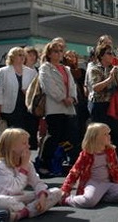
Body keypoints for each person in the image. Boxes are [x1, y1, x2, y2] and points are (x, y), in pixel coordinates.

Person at [0, 128, 61, 220]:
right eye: (24, 143)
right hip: (1, 203)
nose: (28, 146)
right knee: (0, 201)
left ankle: (20, 214)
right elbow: (15, 188)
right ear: (11, 146)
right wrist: (24, 167)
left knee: (56, 192)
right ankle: (29, 210)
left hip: (18, 200)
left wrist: (42, 195)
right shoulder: (0, 166)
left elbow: (37, 182)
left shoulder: (27, 163)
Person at [60, 123, 118, 208]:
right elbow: (74, 172)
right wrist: (65, 190)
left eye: (108, 134)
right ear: (95, 137)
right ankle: (68, 200)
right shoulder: (86, 155)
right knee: (89, 202)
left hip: (107, 183)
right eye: (105, 134)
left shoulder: (111, 152)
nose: (109, 136)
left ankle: (99, 197)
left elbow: (116, 170)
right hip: (92, 183)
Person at [37, 42, 78, 176]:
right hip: (54, 107)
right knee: (53, 136)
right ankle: (43, 164)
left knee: (68, 136)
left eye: (60, 51)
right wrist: (62, 98)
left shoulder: (66, 68)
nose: (59, 53)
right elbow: (48, 86)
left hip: (68, 107)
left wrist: (72, 97)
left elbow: (72, 85)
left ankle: (60, 164)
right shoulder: (45, 68)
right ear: (49, 54)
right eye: (55, 51)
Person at [0, 47, 38, 149]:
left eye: (23, 55)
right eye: (19, 55)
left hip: (26, 106)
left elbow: (36, 88)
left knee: (26, 131)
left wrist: (28, 92)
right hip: (10, 107)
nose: (22, 57)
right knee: (12, 133)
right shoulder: (3, 71)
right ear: (12, 57)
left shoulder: (30, 72)